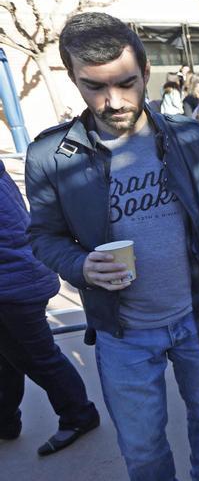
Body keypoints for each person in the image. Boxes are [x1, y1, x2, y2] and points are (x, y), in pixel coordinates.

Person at [25, 12, 199, 481]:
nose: (113, 101)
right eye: (94, 87)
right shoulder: (49, 156)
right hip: (121, 331)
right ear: (73, 80)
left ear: (146, 72)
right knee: (142, 451)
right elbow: (42, 237)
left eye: (126, 83)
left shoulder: (192, 136)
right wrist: (81, 265)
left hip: (197, 313)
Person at [0, 159, 101, 456]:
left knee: (37, 357)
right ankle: (5, 420)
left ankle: (80, 415)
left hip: (16, 283)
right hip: (18, 278)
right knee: (8, 358)